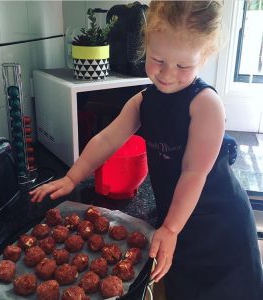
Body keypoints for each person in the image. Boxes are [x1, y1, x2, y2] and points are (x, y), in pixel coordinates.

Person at [30, 1, 263, 299]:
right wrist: (72, 177)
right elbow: (106, 140)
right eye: (157, 59)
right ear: (146, 44)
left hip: (221, 228)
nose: (167, 74)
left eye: (182, 66)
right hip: (175, 222)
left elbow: (194, 173)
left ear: (203, 56)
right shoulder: (144, 101)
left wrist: (171, 228)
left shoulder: (206, 105)